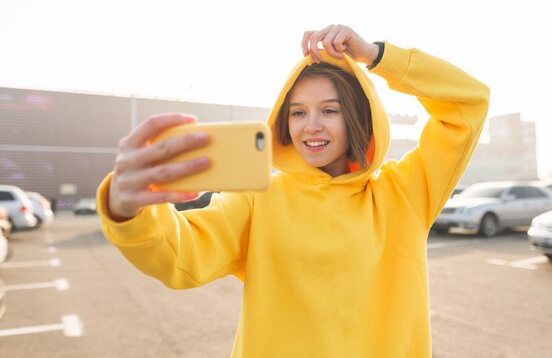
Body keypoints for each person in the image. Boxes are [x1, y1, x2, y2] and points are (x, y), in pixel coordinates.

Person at [97, 24, 490, 357]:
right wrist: (128, 209)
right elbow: (180, 255)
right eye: (298, 112)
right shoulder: (260, 196)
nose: (310, 126)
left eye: (330, 110)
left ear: (358, 117)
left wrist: (376, 56)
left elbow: (468, 103)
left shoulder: (403, 193)